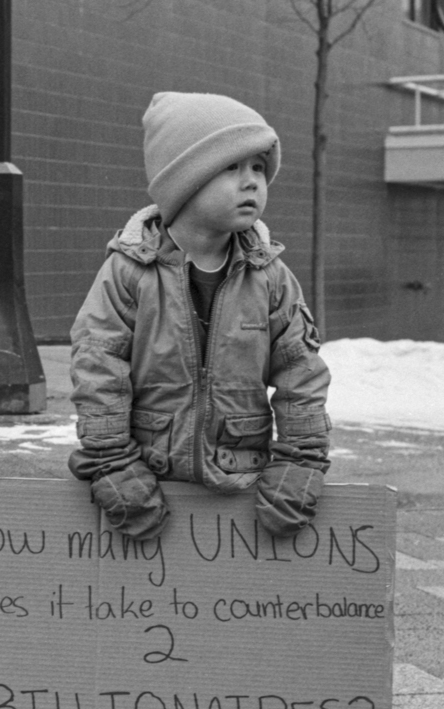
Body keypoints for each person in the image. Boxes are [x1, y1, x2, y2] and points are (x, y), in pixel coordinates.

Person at [67, 92, 331, 539]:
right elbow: (98, 369)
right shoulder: (130, 271)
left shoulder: (269, 276)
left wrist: (300, 462)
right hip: (146, 472)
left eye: (258, 168)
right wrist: (113, 464)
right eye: (231, 167)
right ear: (184, 181)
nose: (252, 182)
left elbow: (300, 372)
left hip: (243, 485)